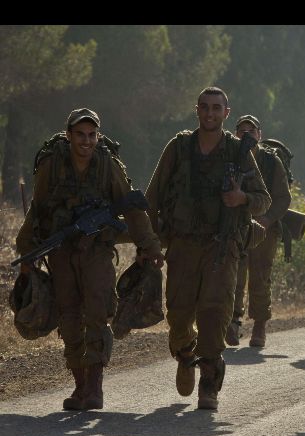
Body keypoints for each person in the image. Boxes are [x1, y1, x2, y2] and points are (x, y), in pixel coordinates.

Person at [16, 108, 164, 411]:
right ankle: (80, 384)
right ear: (69, 135)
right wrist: (26, 250)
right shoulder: (52, 165)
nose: (86, 141)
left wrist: (149, 246)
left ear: (97, 136)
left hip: (97, 248)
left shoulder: (107, 165)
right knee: (68, 313)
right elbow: (39, 207)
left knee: (98, 309)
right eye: (80, 135)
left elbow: (133, 206)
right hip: (61, 250)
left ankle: (95, 386)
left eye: (91, 135)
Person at [146, 87, 272, 410]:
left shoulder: (238, 152)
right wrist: (150, 244)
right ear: (197, 110)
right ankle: (186, 355)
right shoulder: (178, 148)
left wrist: (241, 199)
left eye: (217, 108)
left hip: (222, 247)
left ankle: (209, 383)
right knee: (178, 315)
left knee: (215, 314)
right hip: (182, 246)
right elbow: (153, 196)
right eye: (205, 107)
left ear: (226, 113)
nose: (210, 113)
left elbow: (263, 199)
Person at [226, 115, 292, 348]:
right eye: (241, 131)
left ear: (259, 135)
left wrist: (267, 218)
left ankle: (260, 326)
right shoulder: (229, 156)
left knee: (260, 277)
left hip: (264, 229)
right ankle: (232, 322)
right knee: (233, 275)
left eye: (250, 131)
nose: (245, 135)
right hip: (236, 226)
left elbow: (283, 198)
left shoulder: (270, 161)